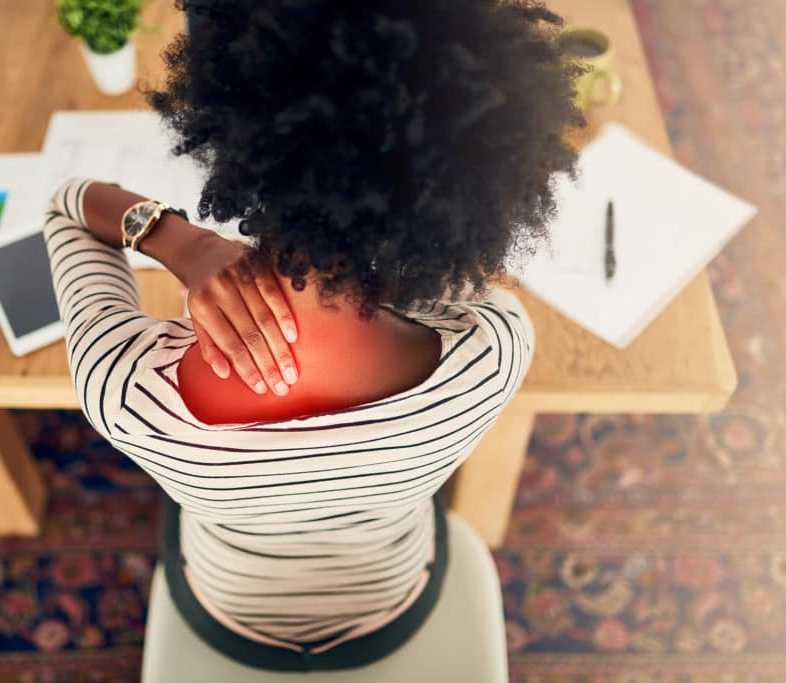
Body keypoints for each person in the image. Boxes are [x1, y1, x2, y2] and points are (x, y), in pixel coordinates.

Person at [42, 0, 585, 672]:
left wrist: (183, 241)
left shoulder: (125, 393)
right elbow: (449, 288)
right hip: (394, 596)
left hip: (227, 608)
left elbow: (69, 205)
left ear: (234, 135)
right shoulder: (495, 346)